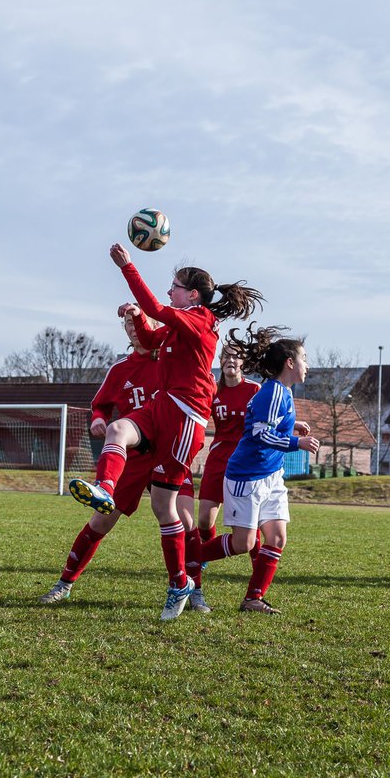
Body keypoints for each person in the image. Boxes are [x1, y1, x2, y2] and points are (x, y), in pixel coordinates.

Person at [68, 244, 264, 621]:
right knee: (117, 428)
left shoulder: (202, 320)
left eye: (174, 286)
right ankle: (104, 490)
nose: (169, 291)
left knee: (164, 508)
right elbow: (150, 337)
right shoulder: (180, 325)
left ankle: (180, 584)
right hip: (162, 406)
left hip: (186, 418)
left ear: (192, 294)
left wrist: (128, 269)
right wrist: (136, 317)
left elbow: (159, 311)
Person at [37, 310, 199, 606]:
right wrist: (98, 419)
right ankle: (64, 584)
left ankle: (193, 590)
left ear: (156, 325)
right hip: (134, 454)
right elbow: (100, 406)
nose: (134, 328)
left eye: (140, 322)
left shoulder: (173, 361)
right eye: (128, 324)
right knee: (100, 521)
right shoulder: (120, 369)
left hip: (170, 448)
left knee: (187, 521)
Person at [183, 325, 321, 614]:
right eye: (304, 358)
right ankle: (188, 557)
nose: (308, 364)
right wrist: (298, 442)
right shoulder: (273, 393)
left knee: (277, 537)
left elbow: (265, 425)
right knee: (243, 543)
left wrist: (292, 430)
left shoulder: (282, 392)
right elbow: (260, 433)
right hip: (248, 477)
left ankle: (253, 598)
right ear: (290, 363)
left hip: (271, 476)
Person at [187, 346, 260, 611]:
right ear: (221, 361)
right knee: (205, 518)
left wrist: (293, 427)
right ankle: (205, 554)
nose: (231, 360)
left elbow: (270, 418)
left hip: (245, 461)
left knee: (251, 521)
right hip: (218, 458)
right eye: (226, 356)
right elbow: (197, 417)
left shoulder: (254, 390)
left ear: (243, 362)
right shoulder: (213, 389)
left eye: (236, 356)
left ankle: (258, 567)